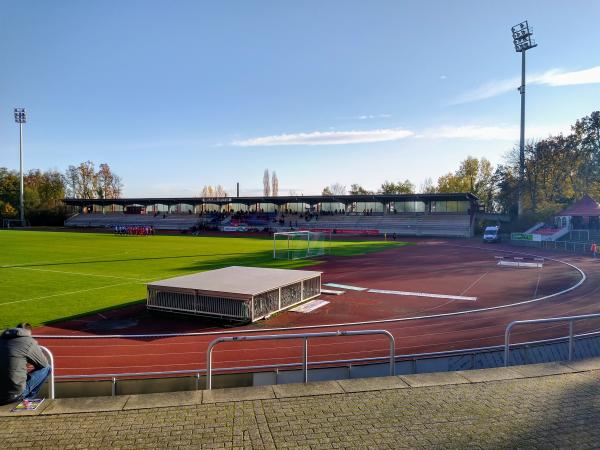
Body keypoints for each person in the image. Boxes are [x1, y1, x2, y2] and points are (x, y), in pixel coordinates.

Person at [0, 323, 51, 405]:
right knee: (47, 368)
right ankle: (27, 399)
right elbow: (43, 364)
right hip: (12, 395)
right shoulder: (28, 341)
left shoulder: (1, 340)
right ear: (29, 332)